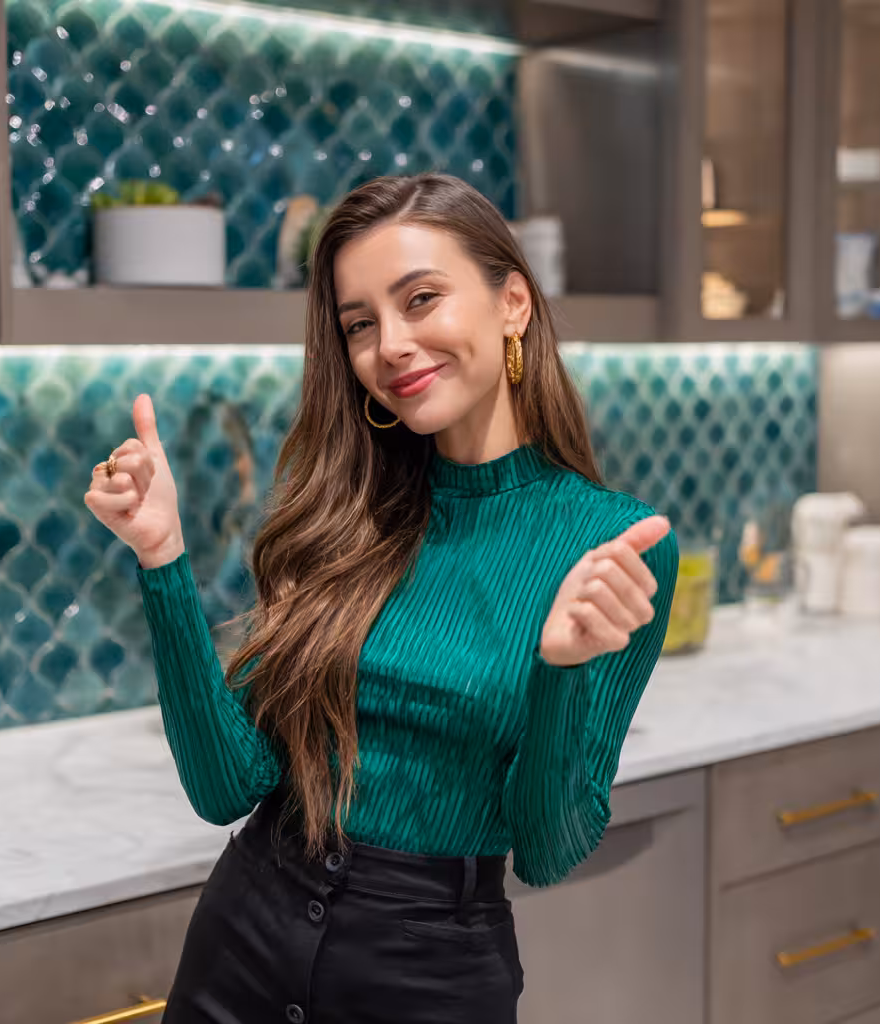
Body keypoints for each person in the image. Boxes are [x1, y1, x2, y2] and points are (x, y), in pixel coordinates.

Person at [85, 173, 678, 1024]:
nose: (390, 345)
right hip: (242, 943)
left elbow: (547, 851)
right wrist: (162, 558)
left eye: (421, 299)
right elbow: (225, 787)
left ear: (512, 303)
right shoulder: (345, 514)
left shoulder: (612, 545)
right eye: (359, 323)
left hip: (428, 978)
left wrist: (562, 669)